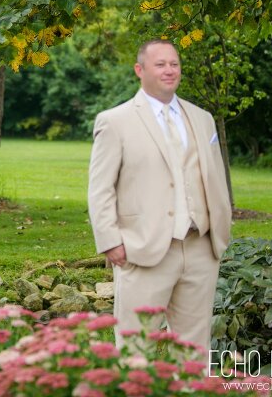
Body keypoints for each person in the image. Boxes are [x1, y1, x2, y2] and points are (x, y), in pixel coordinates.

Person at [87, 39, 231, 350]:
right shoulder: (115, 121)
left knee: (194, 349)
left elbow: (215, 178)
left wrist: (220, 231)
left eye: (174, 64)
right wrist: (111, 242)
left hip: (199, 249)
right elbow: (100, 189)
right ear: (139, 70)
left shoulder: (202, 118)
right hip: (142, 249)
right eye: (160, 64)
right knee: (136, 347)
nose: (170, 70)